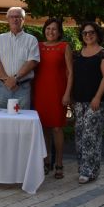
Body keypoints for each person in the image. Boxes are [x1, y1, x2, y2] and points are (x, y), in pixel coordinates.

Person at [32, 18, 73, 180]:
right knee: (44, 128)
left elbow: (70, 72)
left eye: (54, 29)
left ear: (59, 31)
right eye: (48, 28)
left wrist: (67, 93)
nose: (51, 31)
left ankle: (59, 163)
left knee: (57, 128)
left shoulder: (64, 47)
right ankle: (46, 161)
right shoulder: (38, 46)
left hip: (58, 92)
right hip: (40, 92)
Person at [72, 21, 104, 184]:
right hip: (79, 101)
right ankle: (86, 169)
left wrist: (97, 97)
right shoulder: (77, 54)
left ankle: (88, 171)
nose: (88, 35)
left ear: (97, 34)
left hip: (96, 101)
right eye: (85, 33)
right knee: (80, 135)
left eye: (91, 32)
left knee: (91, 136)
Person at [0, 7, 40, 109]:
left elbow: (32, 62)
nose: (14, 19)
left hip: (22, 87)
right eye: (11, 17)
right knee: (1, 118)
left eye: (18, 17)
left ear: (23, 20)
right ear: (8, 19)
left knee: (23, 118)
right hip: (2, 87)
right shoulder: (0, 38)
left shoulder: (31, 40)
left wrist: (15, 79)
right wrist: (7, 80)